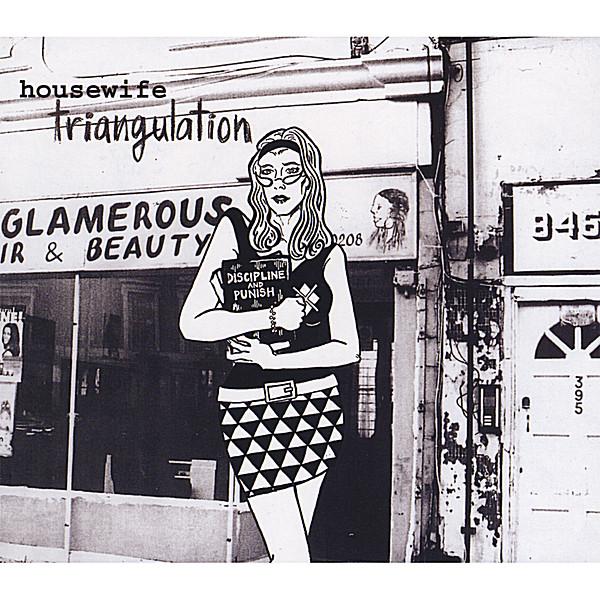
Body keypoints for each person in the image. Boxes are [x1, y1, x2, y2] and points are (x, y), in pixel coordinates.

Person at [180, 126, 359, 562]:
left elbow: (348, 347)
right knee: (292, 553)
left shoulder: (328, 254)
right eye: (267, 173)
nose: (278, 183)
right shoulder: (235, 231)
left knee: (291, 552)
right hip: (249, 407)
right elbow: (192, 322)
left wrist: (272, 360)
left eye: (290, 172)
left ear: (309, 178)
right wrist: (270, 317)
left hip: (316, 404)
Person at [369, 188, 410, 253]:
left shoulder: (405, 241)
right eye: (373, 206)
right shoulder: (374, 238)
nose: (373, 210)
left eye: (379, 207)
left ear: (393, 210)